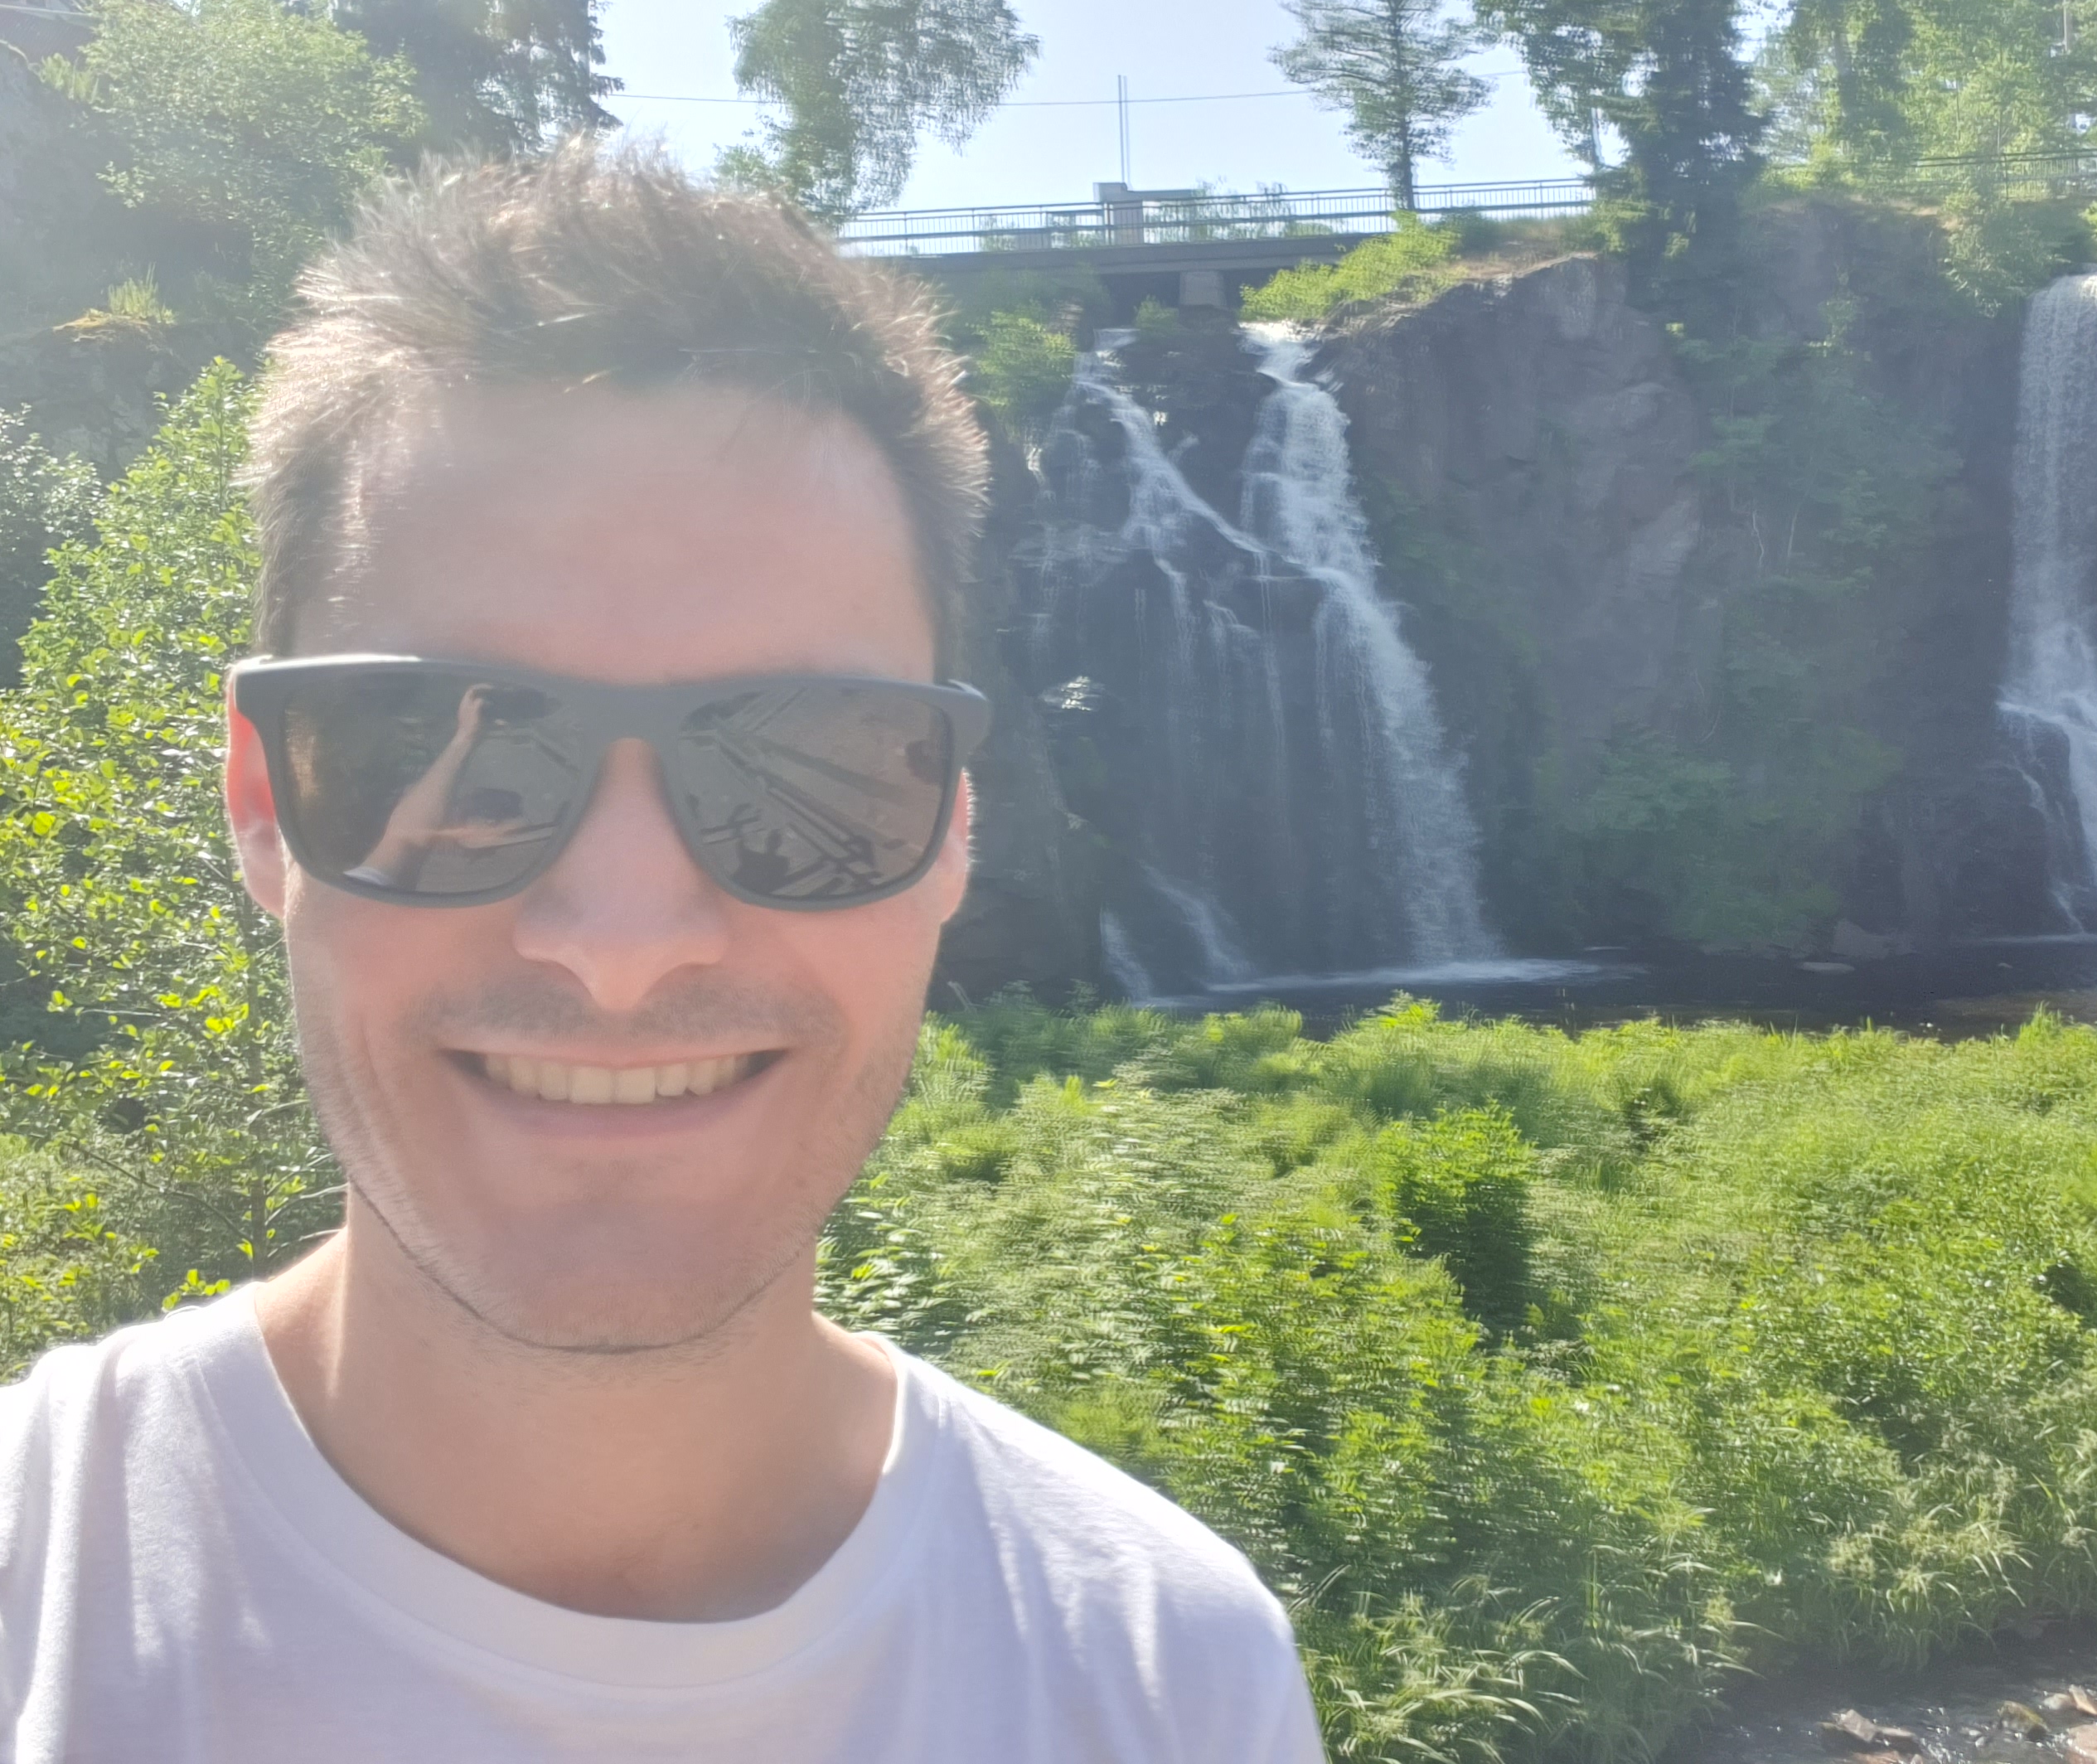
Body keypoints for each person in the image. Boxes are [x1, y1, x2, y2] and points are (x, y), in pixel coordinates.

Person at [0, 144, 1326, 1762]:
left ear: (953, 832)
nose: (618, 946)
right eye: (452, 742)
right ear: (265, 801)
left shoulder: (1171, 1678)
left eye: (812, 765)